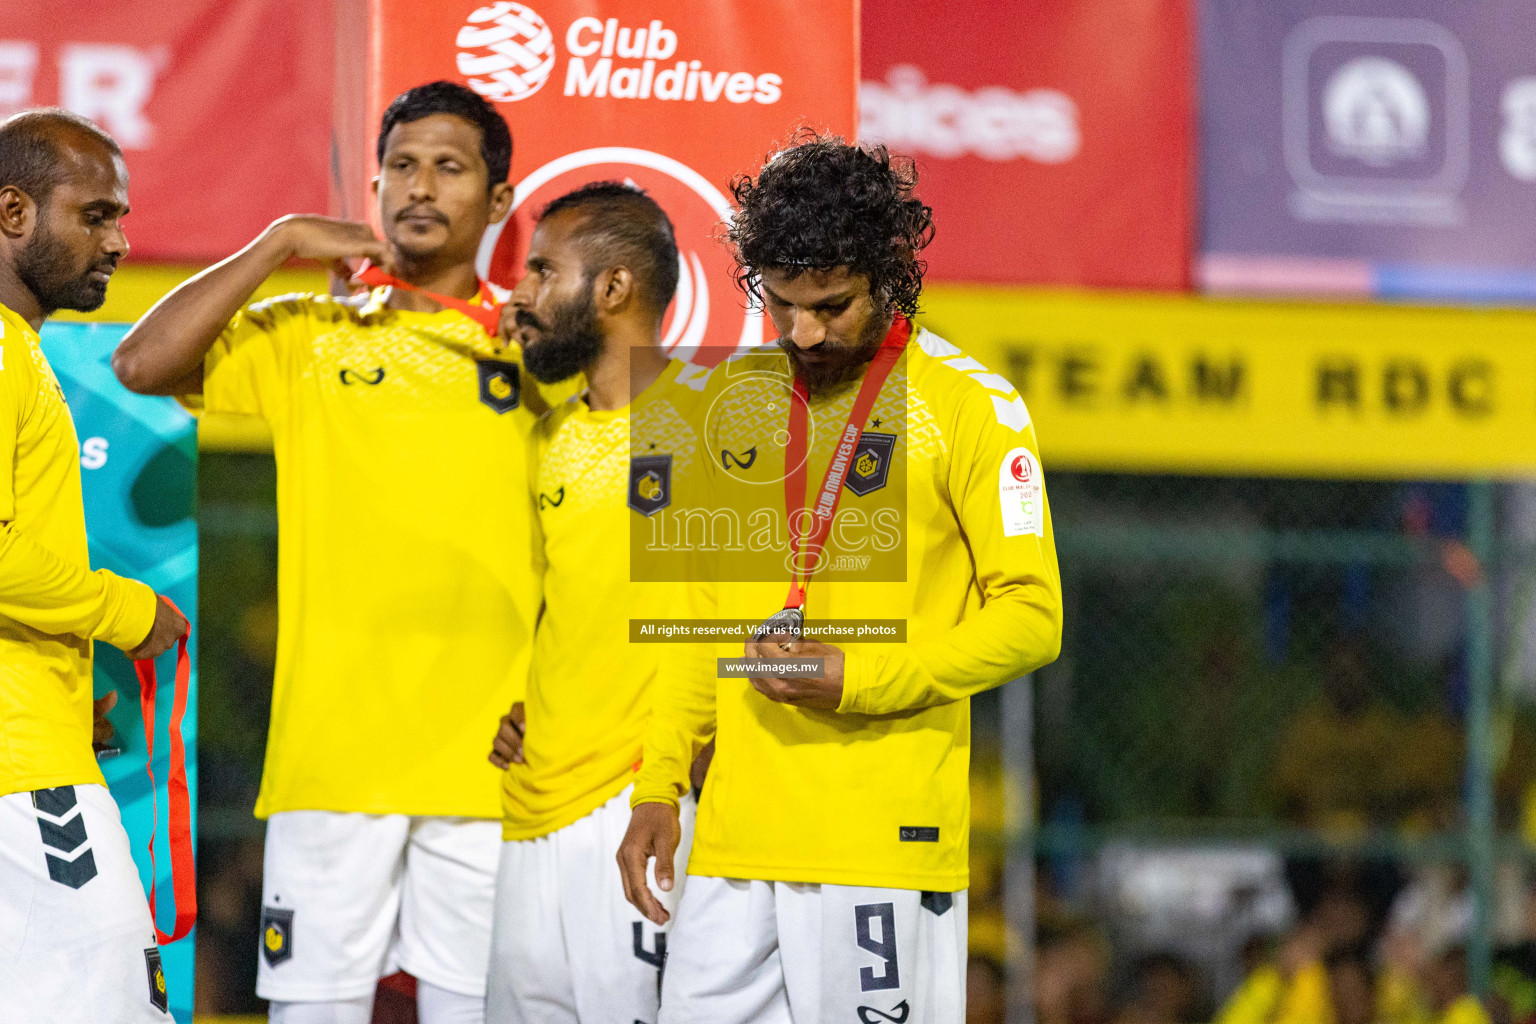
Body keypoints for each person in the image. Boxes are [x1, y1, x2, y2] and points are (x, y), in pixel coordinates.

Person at [113, 81, 543, 1024]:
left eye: (450, 167)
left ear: (499, 201)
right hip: (330, 765)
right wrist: (274, 247)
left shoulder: (539, 347)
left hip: (494, 764)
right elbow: (140, 365)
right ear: (374, 183)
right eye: (401, 166)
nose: (420, 187)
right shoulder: (309, 334)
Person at [616, 134, 1064, 1022]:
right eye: (780, 304)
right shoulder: (729, 401)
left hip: (880, 845)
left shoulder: (972, 407)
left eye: (832, 305)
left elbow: (1033, 617)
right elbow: (700, 617)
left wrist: (860, 679)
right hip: (736, 842)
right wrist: (659, 783)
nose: (803, 332)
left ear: (890, 274)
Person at [483, 181, 703, 1022]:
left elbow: (746, 630)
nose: (522, 294)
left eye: (542, 270)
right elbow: (568, 606)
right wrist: (532, 698)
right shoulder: (552, 435)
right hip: (529, 805)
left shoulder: (716, 423)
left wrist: (673, 780)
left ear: (612, 288)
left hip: (641, 807)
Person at [0, 107, 188, 1021]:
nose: (120, 240)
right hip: (19, 767)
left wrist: (75, 691)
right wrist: (122, 611)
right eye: (97, 215)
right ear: (13, 213)